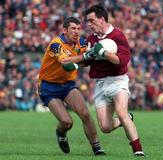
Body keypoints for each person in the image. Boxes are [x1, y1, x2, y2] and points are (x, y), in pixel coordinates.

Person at [61, 5, 145, 157]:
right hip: (100, 84)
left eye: (91, 21)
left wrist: (103, 52)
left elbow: (122, 61)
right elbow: (87, 61)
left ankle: (138, 150)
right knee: (105, 127)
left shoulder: (118, 36)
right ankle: (125, 119)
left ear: (102, 19)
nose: (89, 24)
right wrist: (74, 65)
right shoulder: (91, 39)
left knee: (121, 112)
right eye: (88, 21)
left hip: (117, 80)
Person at [38, 17, 105, 156]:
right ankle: (61, 132)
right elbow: (65, 62)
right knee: (67, 122)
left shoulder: (81, 43)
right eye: (73, 29)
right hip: (49, 87)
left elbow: (86, 61)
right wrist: (86, 56)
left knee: (85, 114)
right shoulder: (56, 44)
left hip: (67, 85)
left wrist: (95, 55)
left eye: (78, 29)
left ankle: (97, 148)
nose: (76, 32)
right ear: (64, 30)